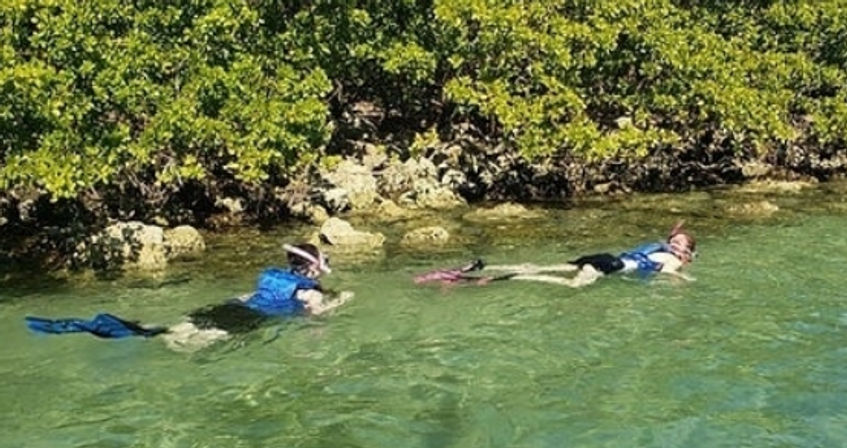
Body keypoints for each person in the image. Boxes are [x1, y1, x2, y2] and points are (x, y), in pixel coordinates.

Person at [25, 243, 353, 351]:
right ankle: (123, 334)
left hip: (234, 307)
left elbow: (247, 295)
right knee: (185, 346)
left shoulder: (272, 276)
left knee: (168, 330)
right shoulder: (309, 291)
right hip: (251, 318)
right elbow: (316, 315)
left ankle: (112, 327)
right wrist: (341, 300)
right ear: (312, 268)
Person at [483, 221, 697, 287]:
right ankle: (508, 278)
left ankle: (485, 266)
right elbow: (670, 273)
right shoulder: (672, 259)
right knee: (573, 285)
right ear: (685, 253)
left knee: (549, 266)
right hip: (611, 265)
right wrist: (685, 279)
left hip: (604, 257)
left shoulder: (656, 249)